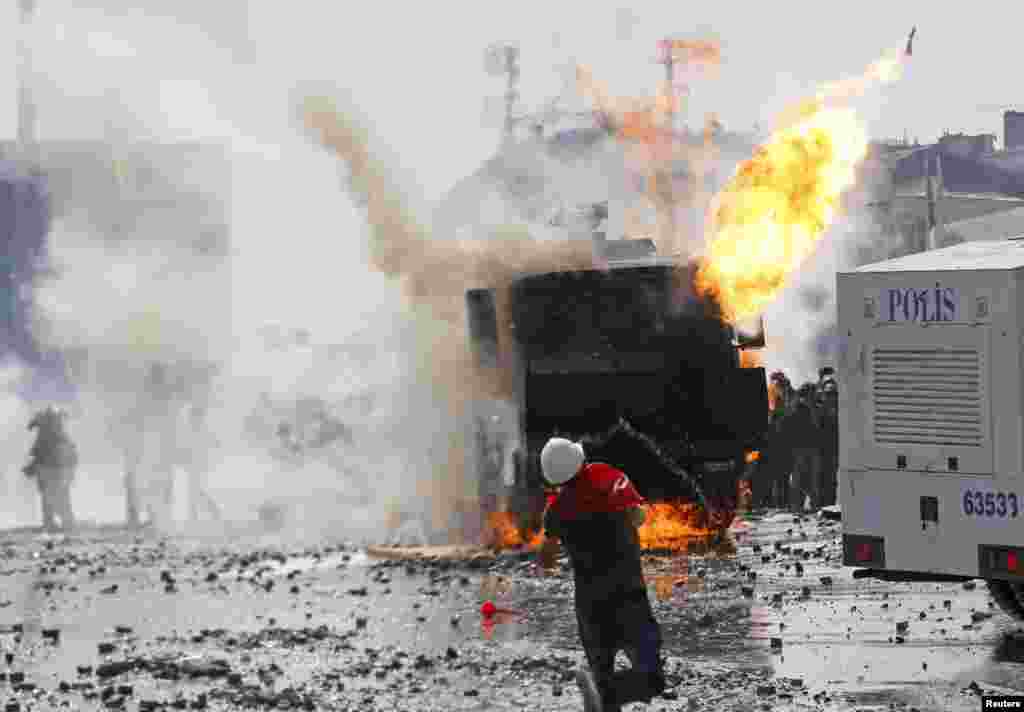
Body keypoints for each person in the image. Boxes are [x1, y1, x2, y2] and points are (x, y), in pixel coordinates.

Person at [541, 437, 666, 712]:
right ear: (579, 459)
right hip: (628, 596)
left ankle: (601, 692)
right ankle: (604, 691)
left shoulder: (556, 509)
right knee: (652, 678)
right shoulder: (608, 477)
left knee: (604, 684)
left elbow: (546, 559)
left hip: (590, 605)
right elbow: (638, 517)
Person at [23, 406, 78, 532]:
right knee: (57, 496)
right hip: (54, 469)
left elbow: (43, 453)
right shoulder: (59, 437)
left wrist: (33, 467)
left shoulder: (51, 436)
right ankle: (60, 523)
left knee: (56, 497)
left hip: (53, 470)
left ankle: (61, 523)